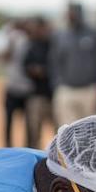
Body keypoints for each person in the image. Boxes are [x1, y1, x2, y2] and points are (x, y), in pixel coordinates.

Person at [52, 2, 96, 124]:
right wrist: (57, 84)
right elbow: (54, 62)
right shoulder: (60, 35)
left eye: (74, 13)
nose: (71, 16)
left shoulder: (93, 34)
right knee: (67, 130)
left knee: (90, 130)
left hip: (89, 90)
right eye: (69, 13)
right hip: (66, 90)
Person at [24, 16, 56, 149]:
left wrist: (46, 70)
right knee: (34, 132)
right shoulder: (32, 46)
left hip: (54, 95)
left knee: (60, 131)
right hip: (36, 95)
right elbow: (25, 67)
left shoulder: (54, 45)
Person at [3, 19, 34, 148]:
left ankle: (12, 146)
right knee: (16, 122)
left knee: (24, 123)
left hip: (24, 88)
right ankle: (14, 146)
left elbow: (5, 57)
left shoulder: (29, 41)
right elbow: (5, 56)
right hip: (17, 87)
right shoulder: (15, 39)